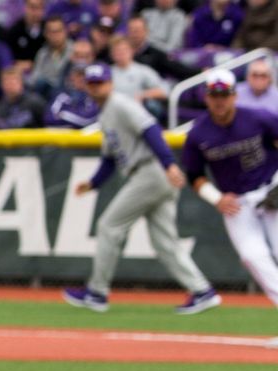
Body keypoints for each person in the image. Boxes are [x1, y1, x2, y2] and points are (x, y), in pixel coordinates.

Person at [62, 64, 221, 314]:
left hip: (151, 172)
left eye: (100, 82)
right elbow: (109, 158)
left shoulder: (120, 104)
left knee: (109, 226)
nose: (96, 87)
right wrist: (93, 183)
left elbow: (151, 130)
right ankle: (202, 291)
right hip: (150, 173)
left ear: (110, 83)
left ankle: (97, 292)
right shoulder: (105, 113)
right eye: (92, 83)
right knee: (165, 242)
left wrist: (168, 164)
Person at [183, 70, 278, 312]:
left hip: (271, 191)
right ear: (206, 97)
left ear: (235, 96)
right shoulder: (198, 133)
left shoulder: (258, 118)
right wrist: (215, 198)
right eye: (214, 94)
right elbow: (194, 175)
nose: (219, 100)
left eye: (224, 94)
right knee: (253, 257)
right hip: (237, 204)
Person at [108, 34, 168, 119]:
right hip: (113, 112)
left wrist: (143, 95)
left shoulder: (142, 70)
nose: (120, 54)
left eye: (123, 50)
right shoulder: (107, 72)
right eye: (117, 51)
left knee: (153, 106)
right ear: (112, 54)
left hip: (137, 112)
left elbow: (164, 91)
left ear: (131, 51)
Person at [125, 16, 198, 82]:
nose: (135, 34)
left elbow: (177, 68)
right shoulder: (119, 53)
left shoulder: (155, 54)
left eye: (137, 31)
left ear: (146, 32)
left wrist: (199, 72)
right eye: (132, 30)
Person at [46, 58, 101, 127]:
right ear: (71, 76)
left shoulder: (94, 96)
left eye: (84, 75)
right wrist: (76, 116)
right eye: (78, 75)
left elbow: (87, 120)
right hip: (64, 136)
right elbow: (48, 118)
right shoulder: (62, 96)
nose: (81, 78)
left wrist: (64, 114)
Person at [32, 16, 72, 97]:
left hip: (68, 91)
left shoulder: (75, 50)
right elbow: (35, 78)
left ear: (65, 31)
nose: (55, 35)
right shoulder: (42, 53)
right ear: (46, 34)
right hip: (45, 94)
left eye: (58, 31)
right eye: (52, 32)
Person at [2, 0, 48, 68]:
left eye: (39, 7)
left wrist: (33, 64)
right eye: (32, 7)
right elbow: (8, 57)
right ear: (25, 7)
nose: (35, 12)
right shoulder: (15, 31)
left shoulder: (49, 29)